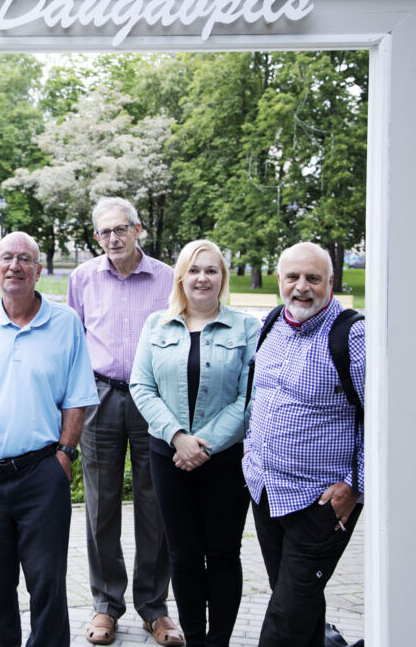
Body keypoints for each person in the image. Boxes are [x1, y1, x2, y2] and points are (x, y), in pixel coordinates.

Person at [0, 231, 99, 646]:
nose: (15, 266)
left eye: (25, 259)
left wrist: (64, 458)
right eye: (6, 258)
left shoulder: (65, 323)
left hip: (41, 473)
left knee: (46, 583)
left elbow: (78, 400)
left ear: (39, 269)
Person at [129, 240, 261, 647]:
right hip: (169, 457)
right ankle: (196, 640)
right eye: (194, 270)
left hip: (225, 460)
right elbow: (141, 385)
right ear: (181, 277)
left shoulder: (247, 328)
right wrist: (178, 438)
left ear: (222, 278)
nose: (202, 278)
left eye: (212, 270)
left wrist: (204, 444)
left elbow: (250, 397)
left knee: (222, 554)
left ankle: (218, 641)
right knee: (183, 556)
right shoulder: (156, 326)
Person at [66, 197, 182, 646]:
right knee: (101, 506)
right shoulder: (83, 278)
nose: (113, 238)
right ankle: (105, 605)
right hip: (101, 397)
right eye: (104, 232)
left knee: (156, 507)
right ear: (96, 237)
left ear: (139, 230)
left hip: (153, 400)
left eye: (121, 229)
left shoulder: (168, 278)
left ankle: (155, 608)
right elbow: (74, 343)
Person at [242, 242, 365, 646]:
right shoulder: (273, 322)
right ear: (280, 280)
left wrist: (356, 485)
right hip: (266, 491)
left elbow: (383, 421)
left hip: (321, 502)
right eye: (292, 277)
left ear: (330, 282)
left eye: (313, 278)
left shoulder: (353, 335)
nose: (302, 287)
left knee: (285, 616)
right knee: (299, 603)